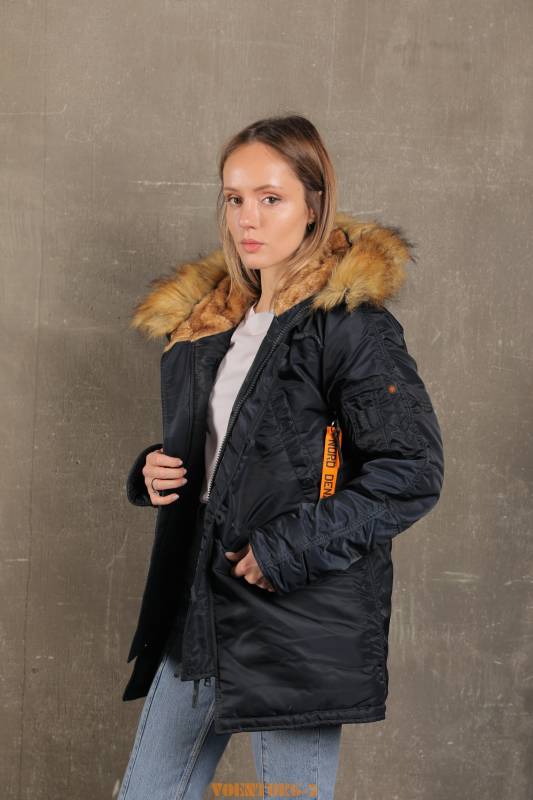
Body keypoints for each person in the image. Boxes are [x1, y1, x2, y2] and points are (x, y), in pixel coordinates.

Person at [117, 115, 445, 799]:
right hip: (200, 607)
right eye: (234, 198)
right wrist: (155, 470)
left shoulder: (348, 326)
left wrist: (286, 548)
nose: (248, 217)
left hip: (294, 617)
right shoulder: (211, 325)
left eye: (271, 197)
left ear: (313, 206)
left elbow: (411, 470)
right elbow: (234, 453)